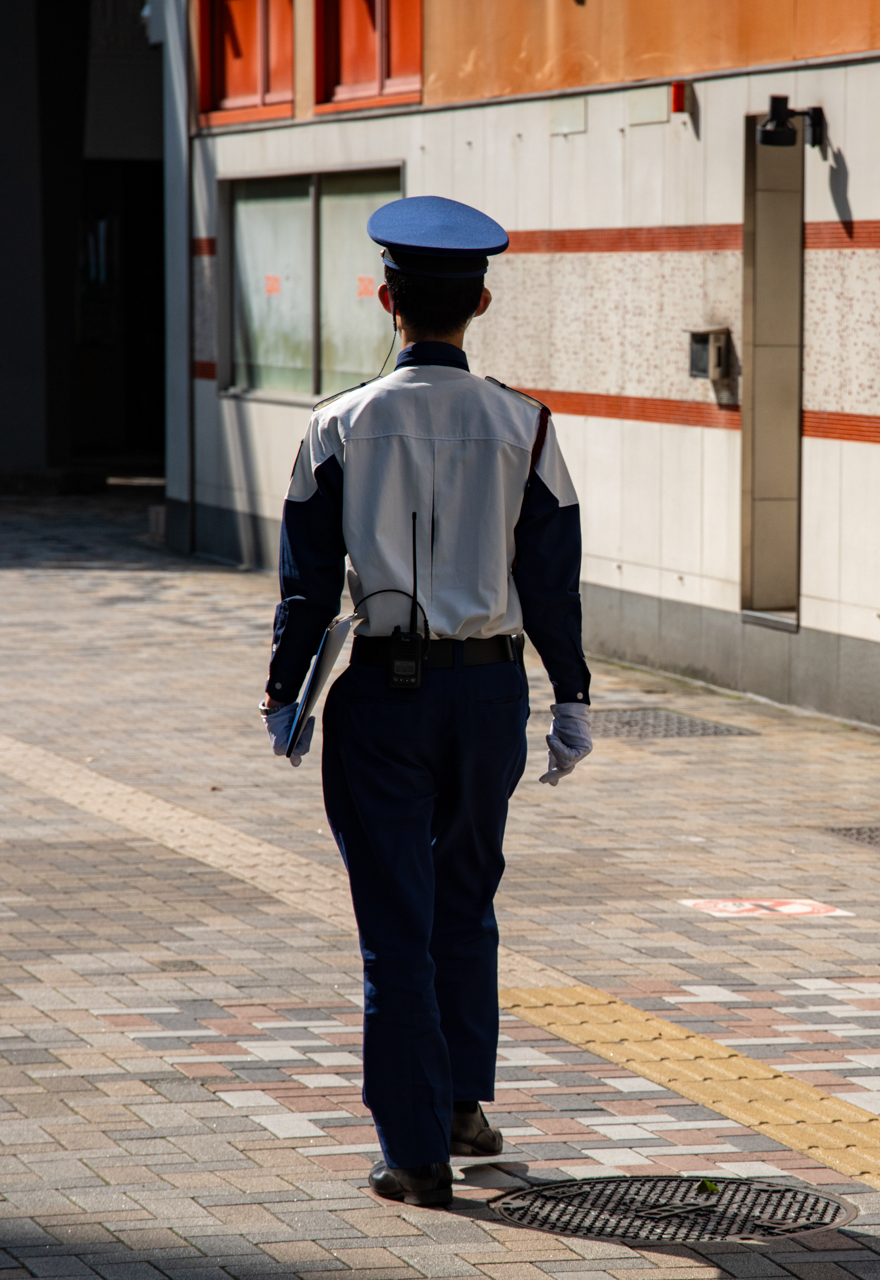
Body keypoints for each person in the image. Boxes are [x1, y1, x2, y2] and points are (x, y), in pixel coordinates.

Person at [258, 195, 595, 1209]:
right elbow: (553, 576)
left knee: (394, 921)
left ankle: (416, 1151)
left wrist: (286, 695)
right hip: (490, 693)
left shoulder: (337, 424)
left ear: (385, 298)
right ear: (480, 302)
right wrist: (570, 694)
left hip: (384, 701)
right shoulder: (525, 424)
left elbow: (307, 585)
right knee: (467, 899)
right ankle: (460, 1106)